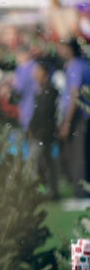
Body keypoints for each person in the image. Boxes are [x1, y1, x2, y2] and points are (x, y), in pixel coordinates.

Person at [58, 38, 90, 198]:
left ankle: (81, 192)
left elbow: (74, 93)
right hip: (82, 115)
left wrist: (67, 122)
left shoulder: (75, 65)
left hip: (78, 117)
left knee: (78, 155)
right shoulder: (83, 64)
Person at [27, 59, 59, 200]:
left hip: (42, 134)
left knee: (33, 162)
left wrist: (34, 129)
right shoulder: (42, 91)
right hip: (41, 133)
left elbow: (43, 114)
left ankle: (32, 192)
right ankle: (52, 191)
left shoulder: (50, 92)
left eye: (37, 71)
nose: (34, 74)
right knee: (47, 163)